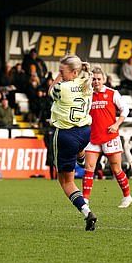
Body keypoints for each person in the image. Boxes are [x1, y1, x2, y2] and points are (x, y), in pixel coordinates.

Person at [49, 53, 97, 231]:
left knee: (65, 181)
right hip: (85, 133)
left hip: (66, 135)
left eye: (62, 71)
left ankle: (87, 212)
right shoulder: (87, 85)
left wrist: (58, 77)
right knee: (79, 148)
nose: (60, 74)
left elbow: (50, 91)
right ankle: (81, 156)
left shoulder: (62, 87)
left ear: (74, 72)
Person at [82, 67, 132, 208]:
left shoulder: (112, 93)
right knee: (89, 168)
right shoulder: (87, 95)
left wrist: (117, 124)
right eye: (94, 79)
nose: (96, 81)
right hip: (92, 136)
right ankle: (85, 199)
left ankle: (127, 196)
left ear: (104, 79)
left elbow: (125, 109)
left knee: (116, 169)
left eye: (99, 79)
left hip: (110, 136)